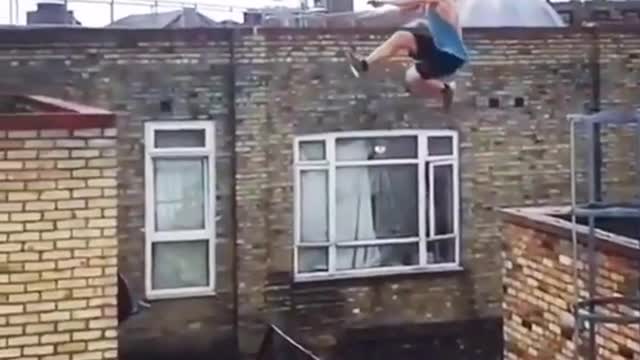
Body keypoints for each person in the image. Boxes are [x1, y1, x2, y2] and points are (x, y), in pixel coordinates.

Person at [346, 0, 468, 112]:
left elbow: (408, 2)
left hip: (450, 56)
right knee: (402, 37)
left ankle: (445, 90)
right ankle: (364, 65)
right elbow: (406, 9)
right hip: (440, 49)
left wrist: (382, 1)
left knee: (412, 77)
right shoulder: (430, 4)